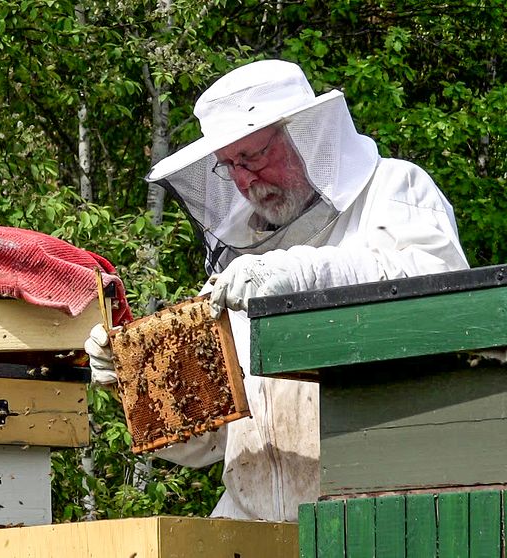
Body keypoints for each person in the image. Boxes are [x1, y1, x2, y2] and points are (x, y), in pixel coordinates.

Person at [85, 59, 469, 521]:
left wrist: (298, 276)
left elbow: (441, 293)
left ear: (304, 136)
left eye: (252, 157)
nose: (245, 180)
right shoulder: (240, 260)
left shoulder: (392, 188)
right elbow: (213, 439)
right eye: (229, 166)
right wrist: (133, 384)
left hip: (367, 516)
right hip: (248, 522)